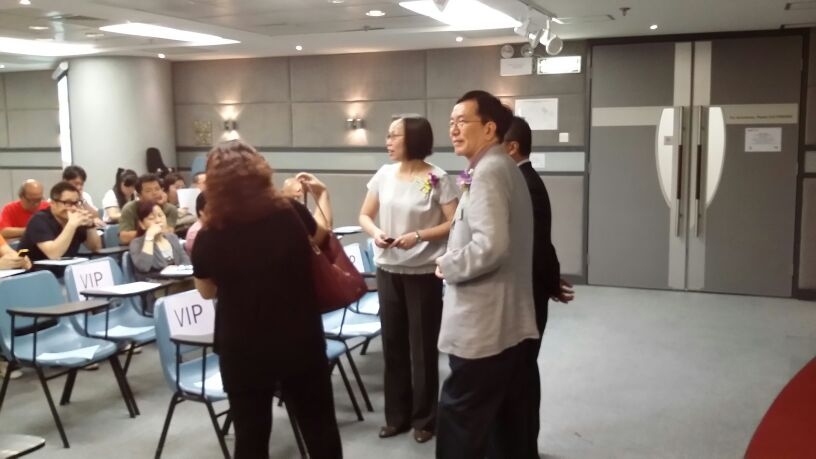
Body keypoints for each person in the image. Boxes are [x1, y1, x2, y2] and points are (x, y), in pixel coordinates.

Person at [192, 140, 341, 459]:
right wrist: (323, 197)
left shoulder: (209, 233)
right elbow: (320, 237)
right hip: (299, 337)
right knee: (320, 429)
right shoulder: (290, 213)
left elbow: (207, 291)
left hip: (243, 347)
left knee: (251, 438)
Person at [434, 90, 539, 459]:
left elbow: (491, 246)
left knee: (460, 420)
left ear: (490, 128)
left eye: (462, 121)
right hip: (503, 324)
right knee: (503, 423)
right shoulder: (502, 167)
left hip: (482, 327)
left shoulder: (489, 172)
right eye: (451, 122)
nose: (453, 129)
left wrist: (448, 264)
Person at [358, 115, 458, 444]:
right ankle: (396, 417)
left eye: (394, 136)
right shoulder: (384, 174)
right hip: (388, 269)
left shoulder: (437, 177)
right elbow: (365, 215)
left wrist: (418, 235)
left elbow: (454, 222)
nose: (387, 141)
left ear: (413, 139)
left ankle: (425, 419)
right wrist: (376, 233)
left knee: (422, 349)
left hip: (422, 273)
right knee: (393, 346)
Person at [504, 116, 575, 457]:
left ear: (511, 147)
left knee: (521, 374)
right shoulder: (524, 180)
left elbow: (536, 245)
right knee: (521, 373)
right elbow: (542, 242)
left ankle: (522, 448)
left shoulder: (524, 184)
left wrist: (548, 283)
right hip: (531, 289)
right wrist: (552, 279)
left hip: (525, 297)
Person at [20, 181, 102, 269]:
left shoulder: (75, 218)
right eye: (67, 203)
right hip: (34, 271)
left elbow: (95, 248)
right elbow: (53, 254)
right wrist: (71, 225)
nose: (73, 208)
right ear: (53, 203)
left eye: (76, 203)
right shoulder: (38, 220)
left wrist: (90, 226)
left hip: (65, 269)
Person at [128, 200, 190, 281]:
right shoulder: (137, 243)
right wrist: (149, 237)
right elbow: (143, 267)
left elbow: (187, 263)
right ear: (142, 224)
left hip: (179, 282)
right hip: (156, 284)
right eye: (151, 218)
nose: (158, 220)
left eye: (160, 215)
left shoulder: (173, 238)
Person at [118, 174, 178, 245]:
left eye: (157, 189)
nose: (154, 193)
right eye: (148, 191)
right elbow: (124, 237)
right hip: (136, 247)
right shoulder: (129, 208)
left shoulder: (170, 209)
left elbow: (169, 232)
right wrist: (150, 232)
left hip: (162, 245)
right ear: (139, 195)